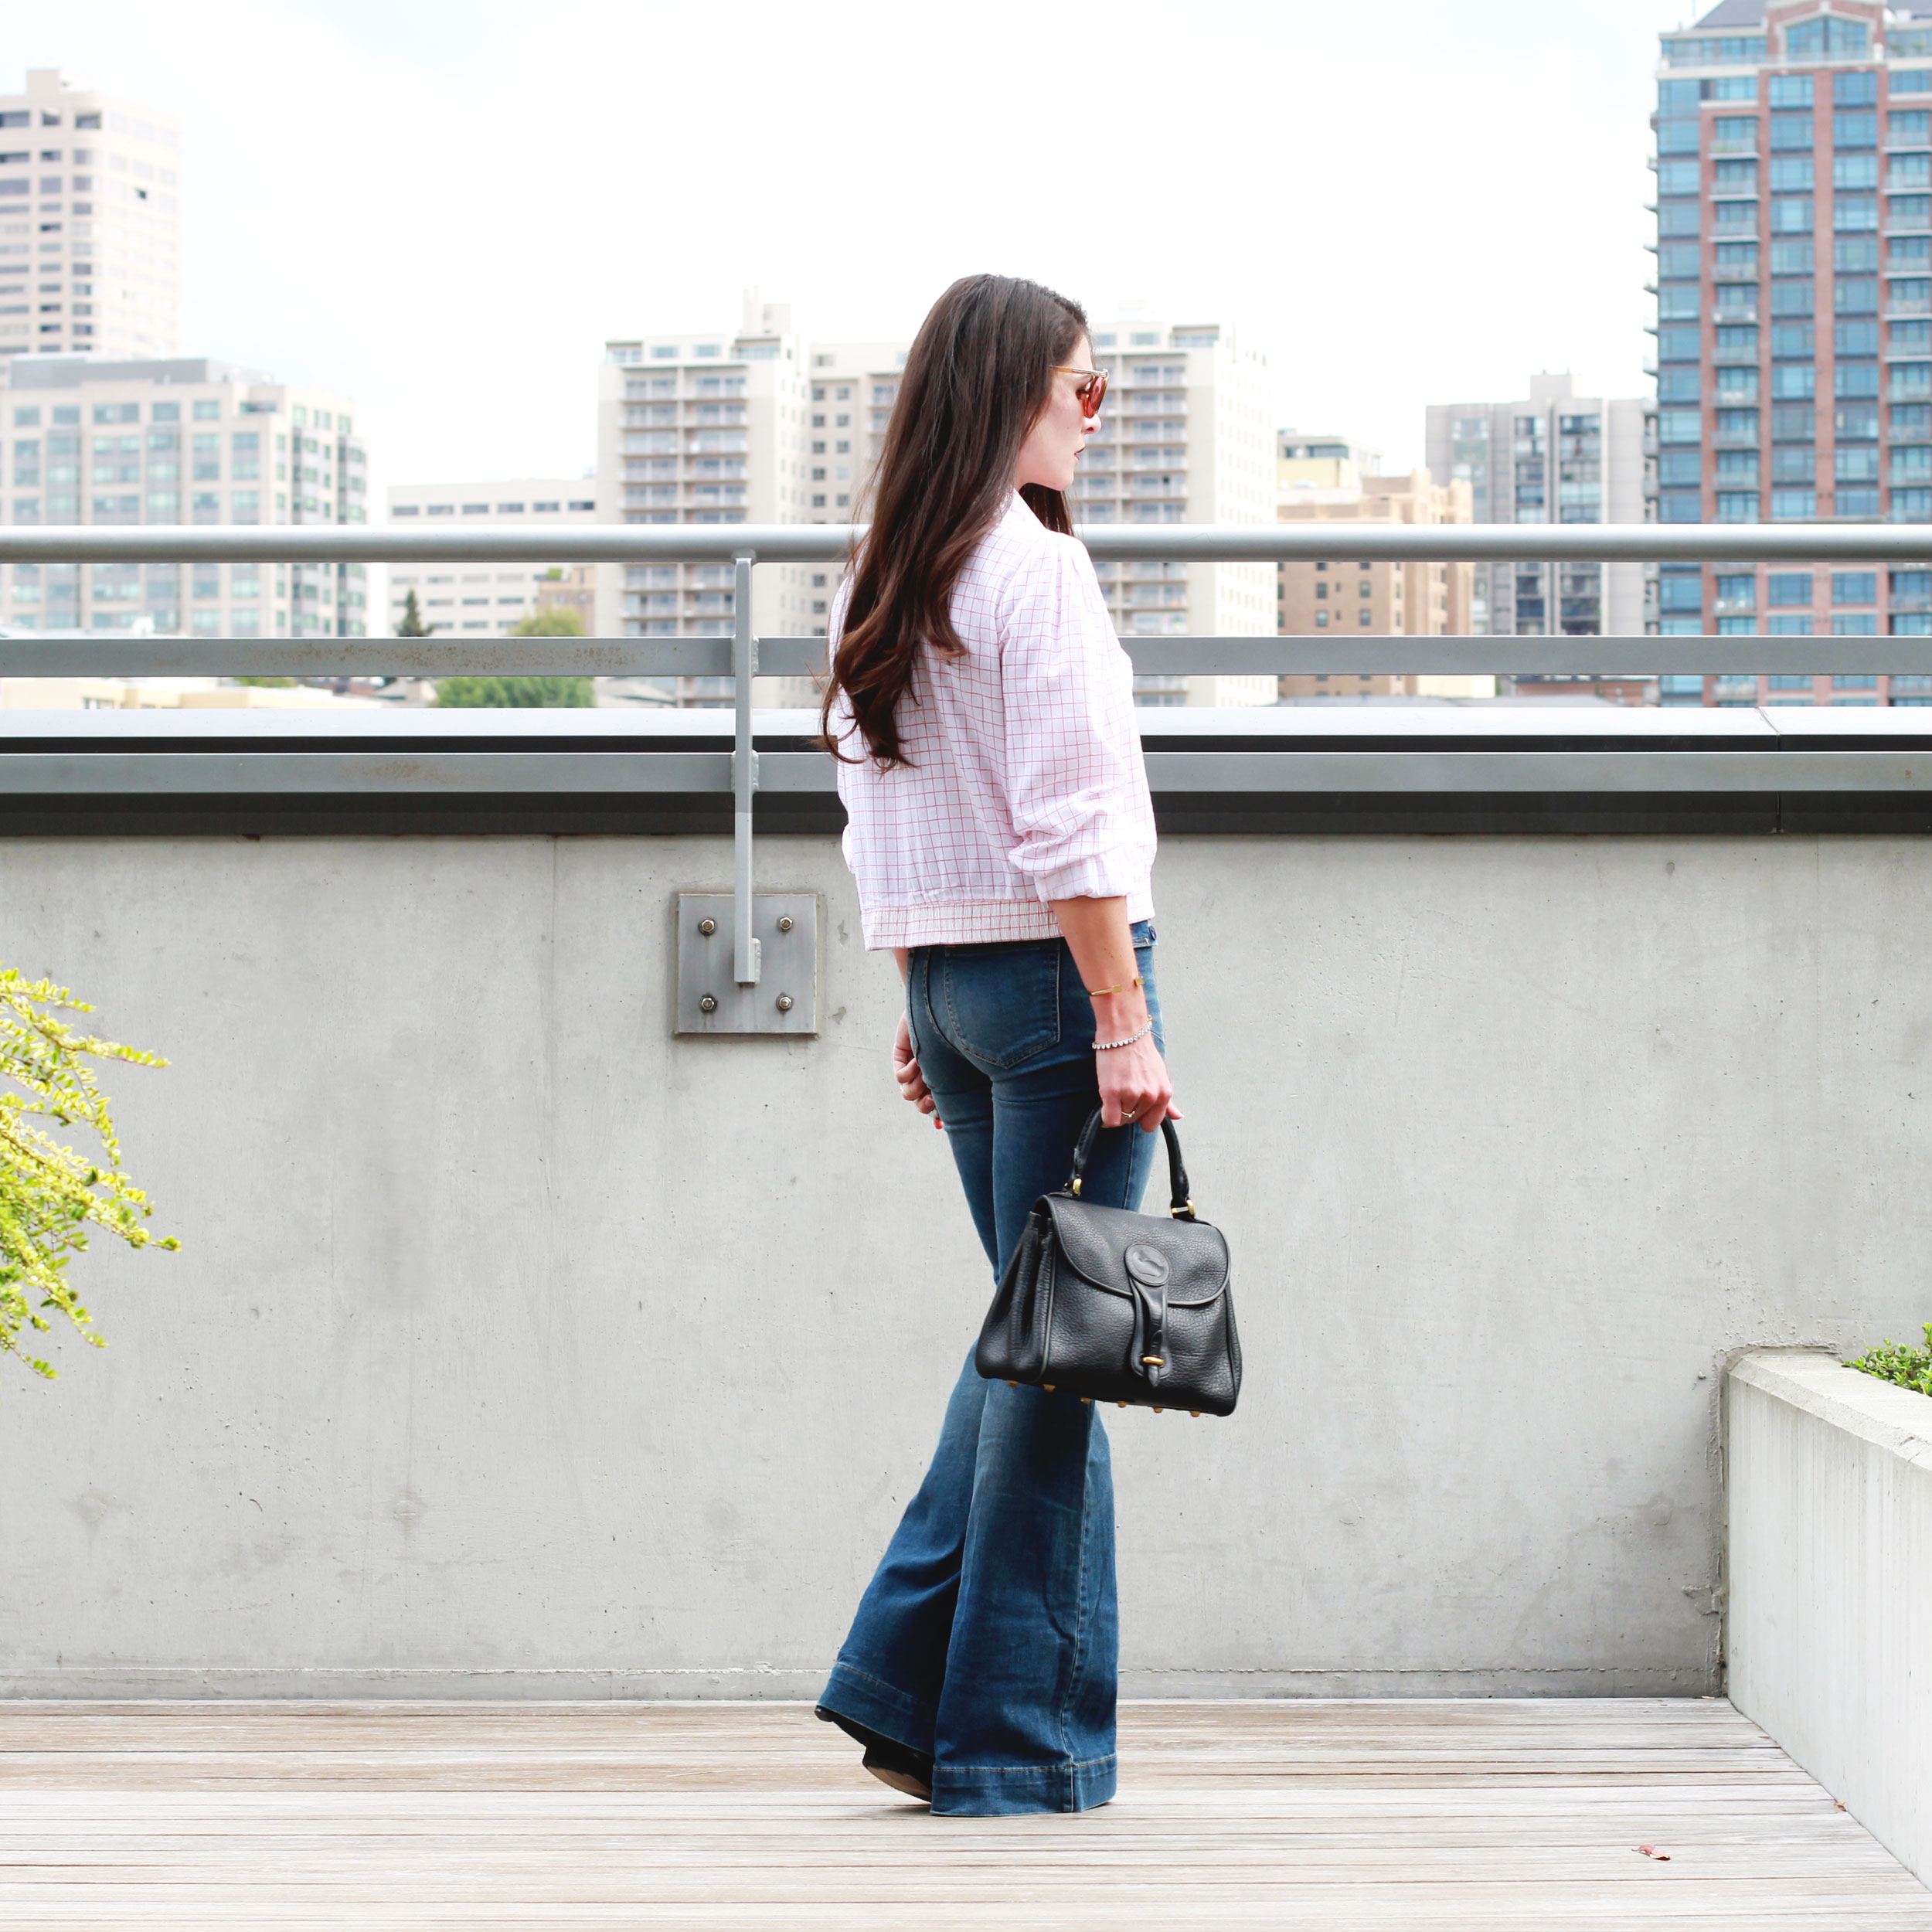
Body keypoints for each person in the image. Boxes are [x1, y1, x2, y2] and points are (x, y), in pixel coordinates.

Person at [813, 274, 1175, 1816]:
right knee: (1052, 1363)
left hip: (953, 983)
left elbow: (874, 801)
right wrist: (1122, 1018)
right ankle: (1016, 1745)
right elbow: (1070, 824)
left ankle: (906, 1692)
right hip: (1050, 987)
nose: (1095, 418)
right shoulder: (1032, 572)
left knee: (1028, 1343)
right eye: (1084, 390)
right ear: (1023, 388)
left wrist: (915, 999)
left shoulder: (892, 570)